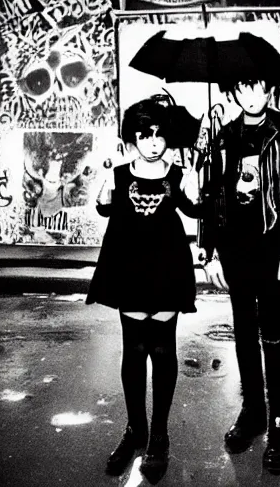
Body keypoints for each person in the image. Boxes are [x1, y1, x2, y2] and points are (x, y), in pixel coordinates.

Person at [86, 96, 201, 483]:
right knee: (134, 350)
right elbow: (105, 209)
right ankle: (135, 429)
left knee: (162, 348)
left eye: (160, 135)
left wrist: (194, 182)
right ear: (133, 138)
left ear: (168, 138)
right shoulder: (119, 174)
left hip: (167, 270)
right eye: (145, 135)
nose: (153, 142)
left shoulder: (177, 174)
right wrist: (104, 183)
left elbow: (195, 210)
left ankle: (159, 434)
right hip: (130, 270)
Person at [200, 74, 280, 475]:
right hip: (235, 250)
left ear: (269, 91)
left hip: (272, 246)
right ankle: (253, 412)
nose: (250, 95)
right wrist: (208, 252)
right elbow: (210, 194)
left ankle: (279, 419)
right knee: (243, 332)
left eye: (257, 87)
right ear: (235, 92)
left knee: (273, 332)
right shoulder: (224, 136)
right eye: (242, 87)